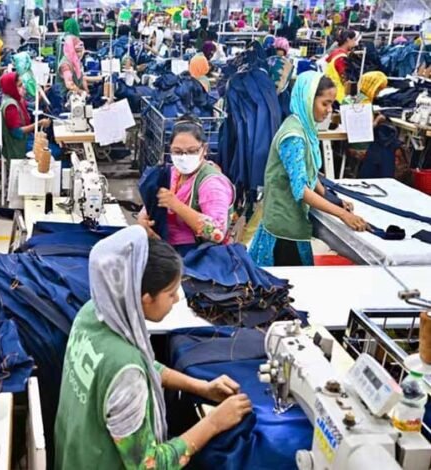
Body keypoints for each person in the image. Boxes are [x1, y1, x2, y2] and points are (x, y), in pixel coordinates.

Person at [55, 227, 253, 469]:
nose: (177, 299)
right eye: (170, 294)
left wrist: (202, 387)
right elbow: (150, 465)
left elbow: (145, 365)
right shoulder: (126, 370)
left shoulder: (93, 313)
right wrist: (213, 423)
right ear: (145, 298)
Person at [249, 73, 368, 267]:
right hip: (285, 227)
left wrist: (332, 198)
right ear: (308, 99)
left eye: (331, 104)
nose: (329, 110)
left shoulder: (304, 127)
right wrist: (342, 214)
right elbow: (301, 190)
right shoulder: (293, 136)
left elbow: (308, 171)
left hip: (289, 221)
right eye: (324, 104)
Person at [137, 117, 235, 254]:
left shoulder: (212, 184)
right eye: (177, 152)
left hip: (195, 254)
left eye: (192, 151)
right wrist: (143, 221)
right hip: (165, 246)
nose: (184, 157)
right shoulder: (172, 173)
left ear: (204, 149)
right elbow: (150, 206)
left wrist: (176, 205)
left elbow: (217, 233)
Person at [0, 72, 50, 161]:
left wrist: (42, 94)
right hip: (18, 146)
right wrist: (39, 123)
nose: (24, 87)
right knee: (53, 151)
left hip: (25, 139)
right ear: (11, 87)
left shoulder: (17, 99)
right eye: (19, 85)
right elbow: (17, 132)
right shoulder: (11, 106)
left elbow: (32, 105)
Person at [326, 29, 358, 102]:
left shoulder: (335, 52)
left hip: (330, 90)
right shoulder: (341, 58)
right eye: (354, 40)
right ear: (348, 39)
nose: (355, 43)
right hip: (338, 96)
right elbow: (345, 79)